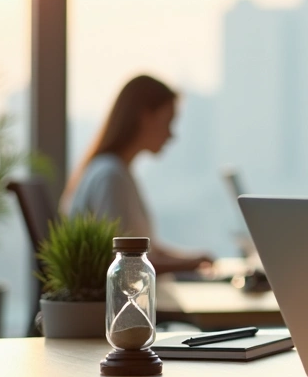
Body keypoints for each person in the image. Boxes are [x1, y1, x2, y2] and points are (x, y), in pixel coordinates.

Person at [61, 75, 213, 274]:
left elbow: (145, 250)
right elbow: (126, 262)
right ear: (145, 117)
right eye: (168, 122)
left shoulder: (115, 171)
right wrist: (191, 264)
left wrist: (194, 260)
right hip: (117, 301)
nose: (171, 134)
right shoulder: (111, 176)